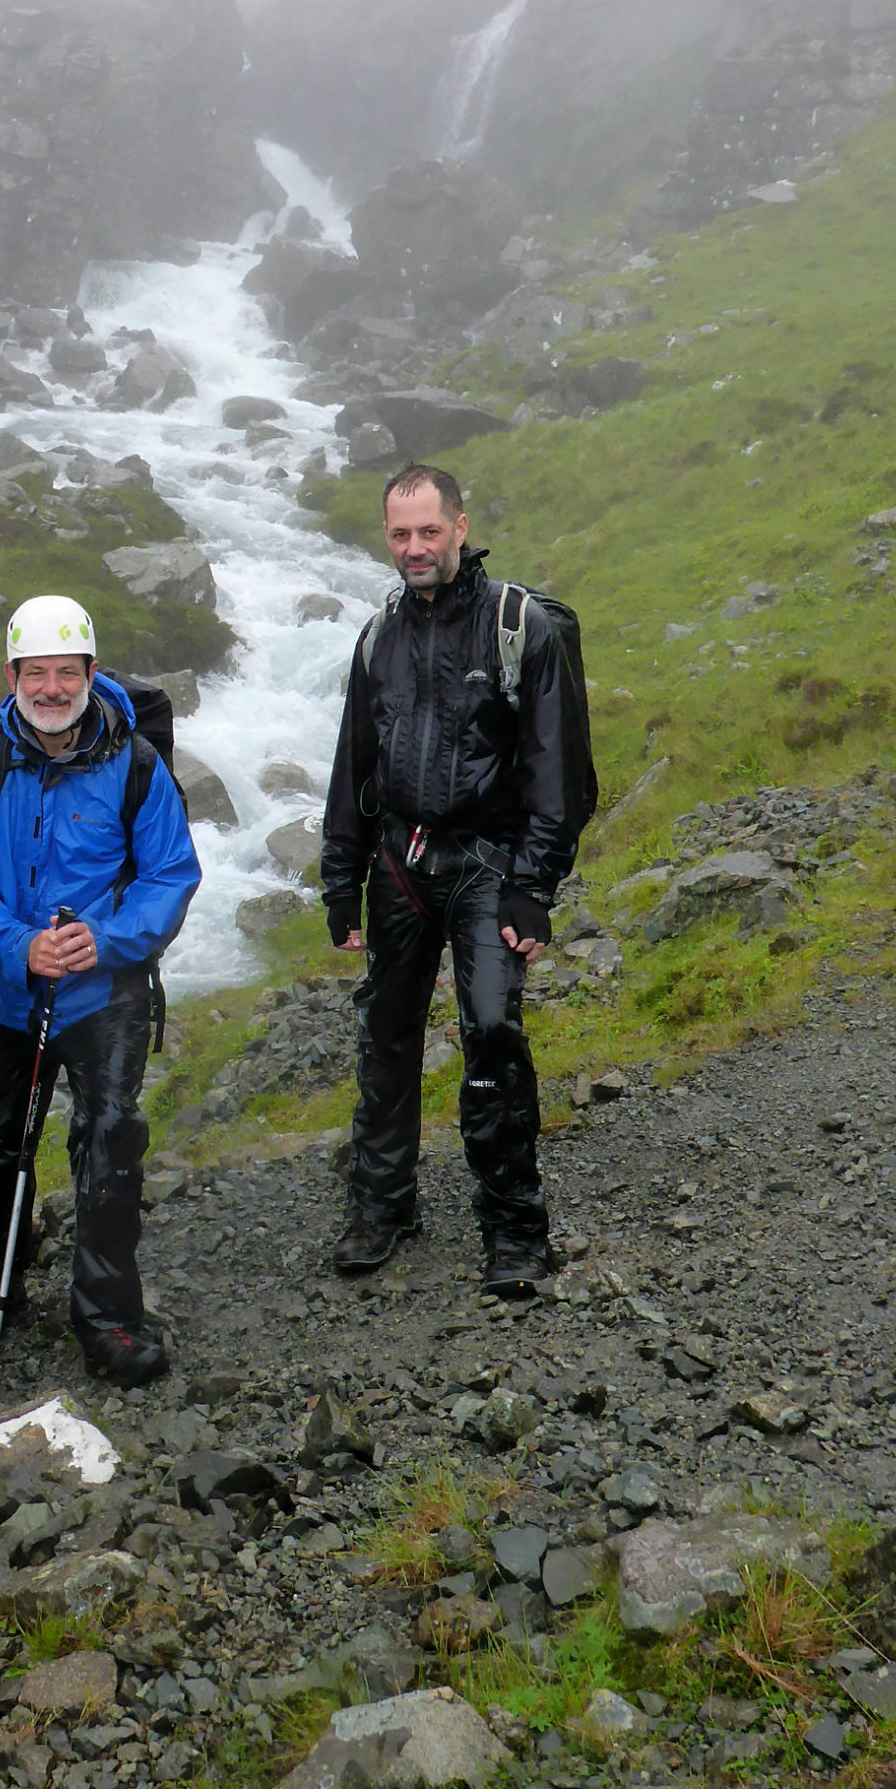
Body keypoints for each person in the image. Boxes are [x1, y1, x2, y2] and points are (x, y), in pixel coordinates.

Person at [320, 464, 581, 1297]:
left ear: (460, 527)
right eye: (399, 534)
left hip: (487, 863)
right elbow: (352, 769)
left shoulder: (519, 627)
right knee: (385, 1038)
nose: (414, 549)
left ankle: (513, 1229)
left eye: (429, 532)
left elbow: (557, 769)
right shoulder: (377, 638)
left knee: (494, 1036)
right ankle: (383, 1207)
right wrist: (340, 881)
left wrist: (532, 888)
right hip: (399, 860)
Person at [0, 596, 202, 1388]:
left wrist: (105, 940)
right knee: (3, 1141)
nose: (51, 688)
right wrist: (20, 945)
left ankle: (108, 1315)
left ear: (90, 672)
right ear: (11, 674)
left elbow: (170, 875)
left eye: (66, 672)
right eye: (35, 672)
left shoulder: (138, 766)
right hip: (14, 996)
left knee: (110, 1145)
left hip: (104, 998)